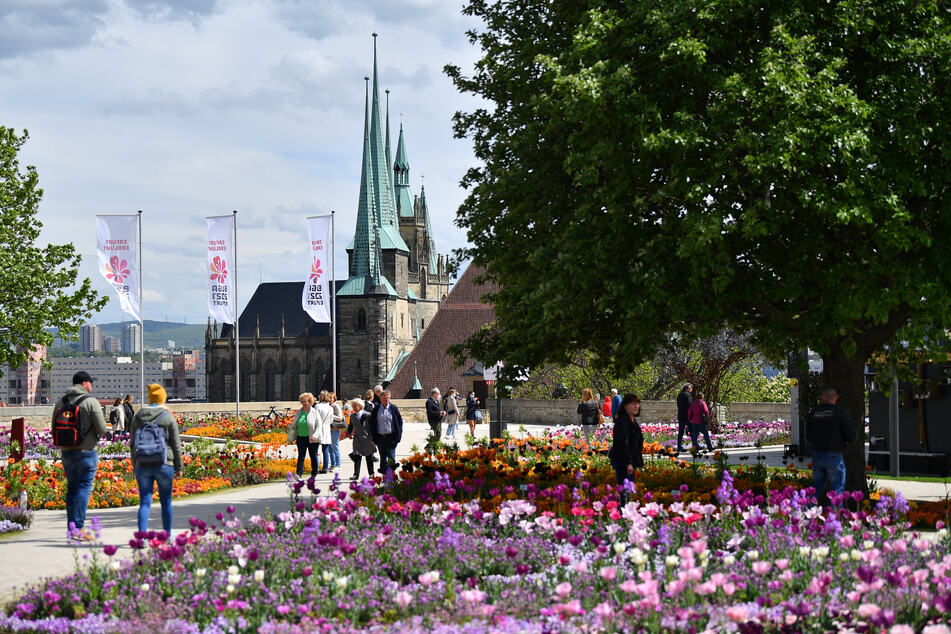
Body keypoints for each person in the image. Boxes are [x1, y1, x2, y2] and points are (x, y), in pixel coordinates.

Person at [55, 371, 107, 536]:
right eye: (91, 382)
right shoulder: (91, 402)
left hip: (67, 453)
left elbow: (53, 428)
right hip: (86, 452)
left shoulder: (60, 402)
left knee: (72, 489)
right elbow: (102, 428)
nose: (92, 386)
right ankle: (78, 526)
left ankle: (71, 527)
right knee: (84, 488)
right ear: (85, 384)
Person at [128, 384, 182, 534]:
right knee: (166, 502)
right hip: (164, 463)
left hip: (143, 464)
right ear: (162, 398)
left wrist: (135, 464)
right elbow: (176, 444)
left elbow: (132, 444)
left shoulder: (137, 418)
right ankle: (167, 535)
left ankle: (142, 537)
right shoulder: (168, 417)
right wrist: (179, 467)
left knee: (144, 502)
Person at [807, 387, 856, 505]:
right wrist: (847, 442)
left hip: (817, 453)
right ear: (836, 398)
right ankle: (835, 518)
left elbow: (808, 436)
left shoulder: (814, 413)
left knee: (816, 487)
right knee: (837, 488)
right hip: (834, 454)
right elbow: (851, 435)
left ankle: (804, 513)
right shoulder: (840, 413)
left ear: (822, 397)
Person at [609, 393, 644, 504]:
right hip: (623, 461)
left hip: (631, 461)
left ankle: (626, 514)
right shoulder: (622, 421)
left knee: (628, 491)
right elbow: (623, 443)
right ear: (625, 406)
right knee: (625, 491)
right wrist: (628, 462)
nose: (636, 406)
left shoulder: (632, 421)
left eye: (637, 403)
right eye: (632, 404)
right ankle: (624, 515)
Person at [286, 392, 319, 480]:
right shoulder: (299, 412)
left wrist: (315, 435)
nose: (303, 403)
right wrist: (293, 435)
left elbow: (319, 426)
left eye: (305, 401)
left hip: (312, 438)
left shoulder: (315, 412)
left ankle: (314, 473)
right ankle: (299, 474)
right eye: (302, 401)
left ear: (310, 401)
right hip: (301, 437)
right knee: (301, 456)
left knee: (313, 455)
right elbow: (295, 424)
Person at [369, 389, 403, 473]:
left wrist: (398, 436)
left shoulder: (393, 408)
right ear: (380, 398)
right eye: (384, 398)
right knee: (383, 458)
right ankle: (384, 478)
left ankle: (392, 477)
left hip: (391, 437)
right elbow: (372, 422)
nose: (386, 399)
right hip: (380, 437)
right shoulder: (376, 409)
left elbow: (399, 422)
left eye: (388, 398)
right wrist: (372, 435)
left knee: (391, 457)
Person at [347, 398, 376, 480]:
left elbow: (373, 426)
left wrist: (372, 435)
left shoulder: (367, 415)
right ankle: (356, 474)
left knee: (369, 457)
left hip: (367, 438)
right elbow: (350, 426)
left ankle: (371, 473)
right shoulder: (352, 416)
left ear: (360, 406)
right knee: (357, 457)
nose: (353, 407)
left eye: (354, 406)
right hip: (357, 439)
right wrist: (349, 433)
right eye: (352, 406)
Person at [314, 391, 334, 473]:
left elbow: (314, 418)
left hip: (318, 429)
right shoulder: (330, 408)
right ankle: (325, 467)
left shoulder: (317, 406)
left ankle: (316, 467)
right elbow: (331, 421)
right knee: (325, 450)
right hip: (326, 429)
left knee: (315, 450)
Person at [329, 392, 345, 472]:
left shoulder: (336, 406)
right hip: (329, 428)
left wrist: (331, 416)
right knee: (330, 447)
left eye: (331, 398)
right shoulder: (327, 406)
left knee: (335, 446)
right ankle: (332, 464)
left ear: (334, 398)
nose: (329, 400)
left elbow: (340, 418)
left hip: (335, 428)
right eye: (328, 398)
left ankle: (338, 465)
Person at [676, 384, 693, 453]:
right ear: (687, 388)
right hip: (687, 416)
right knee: (692, 431)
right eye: (690, 387)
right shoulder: (688, 395)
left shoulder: (679, 395)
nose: (691, 388)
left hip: (680, 415)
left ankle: (679, 446)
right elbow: (690, 406)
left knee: (681, 432)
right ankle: (695, 445)